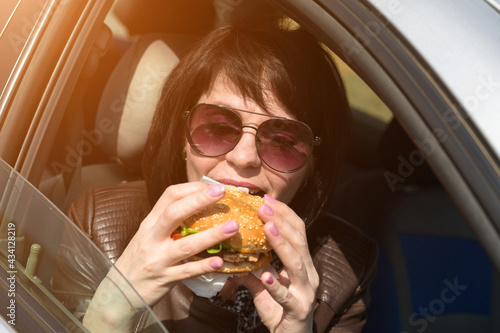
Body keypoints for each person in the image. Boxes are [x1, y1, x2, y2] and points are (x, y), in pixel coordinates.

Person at [54, 19, 377, 333]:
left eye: (282, 141)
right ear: (182, 137)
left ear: (312, 166)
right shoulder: (99, 227)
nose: (243, 157)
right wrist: (113, 310)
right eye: (218, 128)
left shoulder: (342, 275)